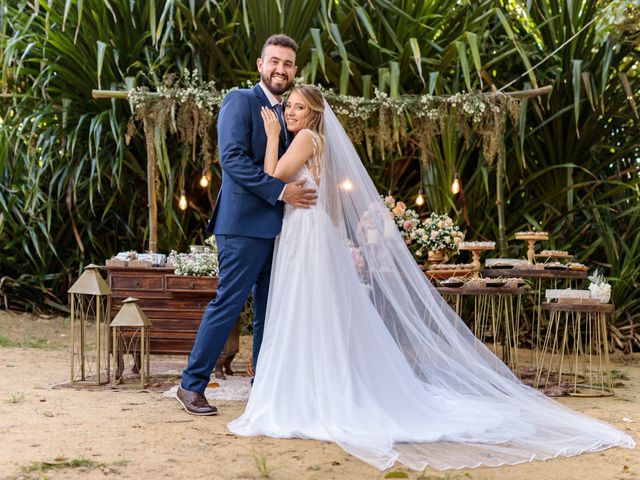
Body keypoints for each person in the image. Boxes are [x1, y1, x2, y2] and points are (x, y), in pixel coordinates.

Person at [227, 84, 635, 470]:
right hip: (307, 229)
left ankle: (305, 392)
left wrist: (271, 132)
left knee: (302, 307)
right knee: (308, 309)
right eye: (289, 106)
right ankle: (310, 387)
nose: (290, 111)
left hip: (305, 233)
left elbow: (272, 176)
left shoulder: (302, 139)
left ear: (314, 114)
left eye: (299, 107)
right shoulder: (318, 142)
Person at [176, 34, 317, 416]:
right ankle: (191, 385)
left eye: (287, 64)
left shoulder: (291, 115)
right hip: (241, 225)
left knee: (271, 309)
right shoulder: (240, 101)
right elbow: (234, 161)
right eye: (274, 61)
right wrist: (281, 192)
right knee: (229, 304)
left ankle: (263, 383)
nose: (280, 69)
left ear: (294, 71)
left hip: (282, 231)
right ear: (260, 64)